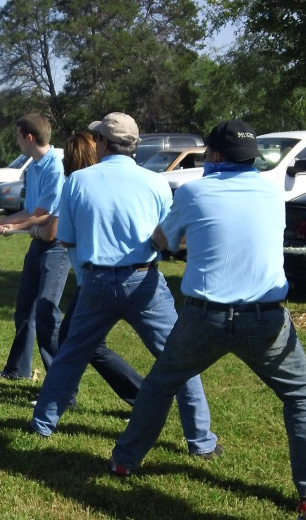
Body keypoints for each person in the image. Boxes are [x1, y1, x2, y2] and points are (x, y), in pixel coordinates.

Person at [109, 120, 306, 517]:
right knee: (300, 397)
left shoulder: (194, 192)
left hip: (204, 318)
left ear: (215, 156)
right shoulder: (272, 195)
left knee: (159, 386)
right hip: (265, 320)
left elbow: (162, 240)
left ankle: (125, 460)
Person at [29, 113, 219, 461]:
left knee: (71, 355)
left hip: (97, 280)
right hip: (144, 280)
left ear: (101, 142)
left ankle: (43, 422)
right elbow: (167, 238)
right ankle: (201, 441)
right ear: (134, 145)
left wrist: (87, 277)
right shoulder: (157, 182)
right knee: (178, 359)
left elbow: (67, 239)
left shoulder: (79, 181)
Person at [30, 132, 144, 406]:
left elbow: (55, 233)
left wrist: (36, 230)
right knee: (83, 342)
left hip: (96, 280)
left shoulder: (76, 185)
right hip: (117, 275)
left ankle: (142, 396)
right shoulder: (103, 186)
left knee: (80, 341)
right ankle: (140, 396)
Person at [0, 113, 69, 380]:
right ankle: (17, 370)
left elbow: (45, 214)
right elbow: (30, 210)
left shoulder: (55, 167)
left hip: (57, 247)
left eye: (18, 137)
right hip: (38, 243)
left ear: (29, 137)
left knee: (46, 313)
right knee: (24, 309)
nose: (17, 142)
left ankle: (58, 383)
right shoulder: (34, 168)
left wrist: (14, 227)